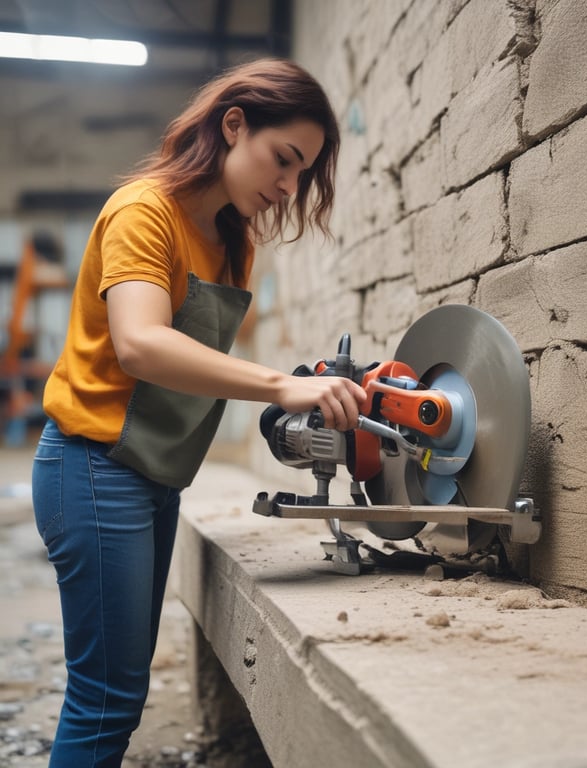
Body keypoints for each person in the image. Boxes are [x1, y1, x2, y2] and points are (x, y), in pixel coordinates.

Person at [31, 58, 366, 767]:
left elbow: (198, 371)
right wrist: (281, 385)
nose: (289, 185)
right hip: (94, 469)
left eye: (302, 173)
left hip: (154, 477)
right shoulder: (143, 211)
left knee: (119, 694)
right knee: (103, 702)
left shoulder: (231, 241)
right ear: (233, 124)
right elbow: (142, 345)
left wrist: (299, 387)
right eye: (284, 159)